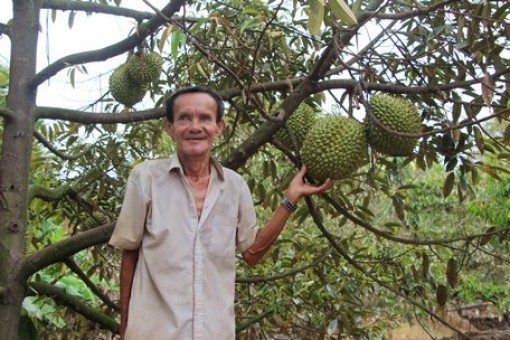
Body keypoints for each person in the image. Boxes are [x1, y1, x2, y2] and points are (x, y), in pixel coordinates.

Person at [109, 86, 333, 340]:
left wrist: (290, 198)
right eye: (184, 118)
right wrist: (125, 328)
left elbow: (252, 252)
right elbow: (130, 253)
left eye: (205, 118)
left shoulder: (234, 186)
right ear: (169, 127)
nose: (195, 126)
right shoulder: (146, 177)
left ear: (219, 127)